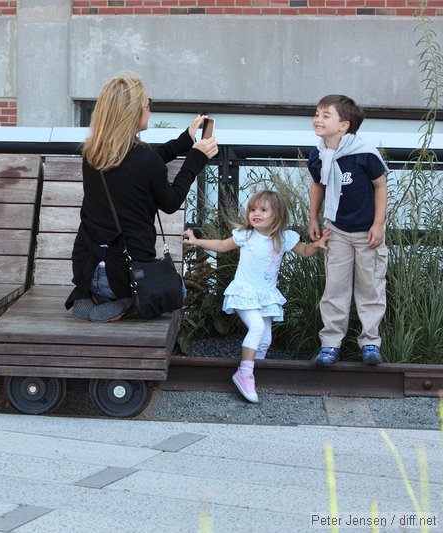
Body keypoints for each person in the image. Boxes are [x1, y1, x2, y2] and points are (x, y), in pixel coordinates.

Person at [65, 71, 218, 322]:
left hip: (85, 269)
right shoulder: (144, 161)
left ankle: (95, 297)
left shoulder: (91, 155)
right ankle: (129, 302)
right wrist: (196, 159)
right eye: (148, 105)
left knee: (109, 268)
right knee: (175, 291)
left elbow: (140, 164)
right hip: (125, 276)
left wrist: (185, 141)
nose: (150, 110)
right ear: (133, 113)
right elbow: (170, 202)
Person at [182, 190, 331, 403]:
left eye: (263, 210)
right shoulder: (247, 235)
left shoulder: (284, 238)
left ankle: (253, 372)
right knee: (257, 328)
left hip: (266, 297)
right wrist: (197, 241)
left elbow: (305, 252)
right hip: (244, 293)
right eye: (253, 209)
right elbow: (222, 246)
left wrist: (317, 244)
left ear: (277, 215)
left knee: (266, 340)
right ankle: (245, 373)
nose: (255, 213)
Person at [307, 95, 390, 367]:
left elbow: (380, 186)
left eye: (325, 115)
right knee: (335, 289)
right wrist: (314, 219)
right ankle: (330, 344)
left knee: (370, 289)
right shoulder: (318, 154)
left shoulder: (364, 153)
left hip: (367, 233)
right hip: (337, 230)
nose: (318, 119)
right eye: (317, 114)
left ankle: (370, 343)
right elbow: (318, 185)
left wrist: (378, 224)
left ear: (344, 125)